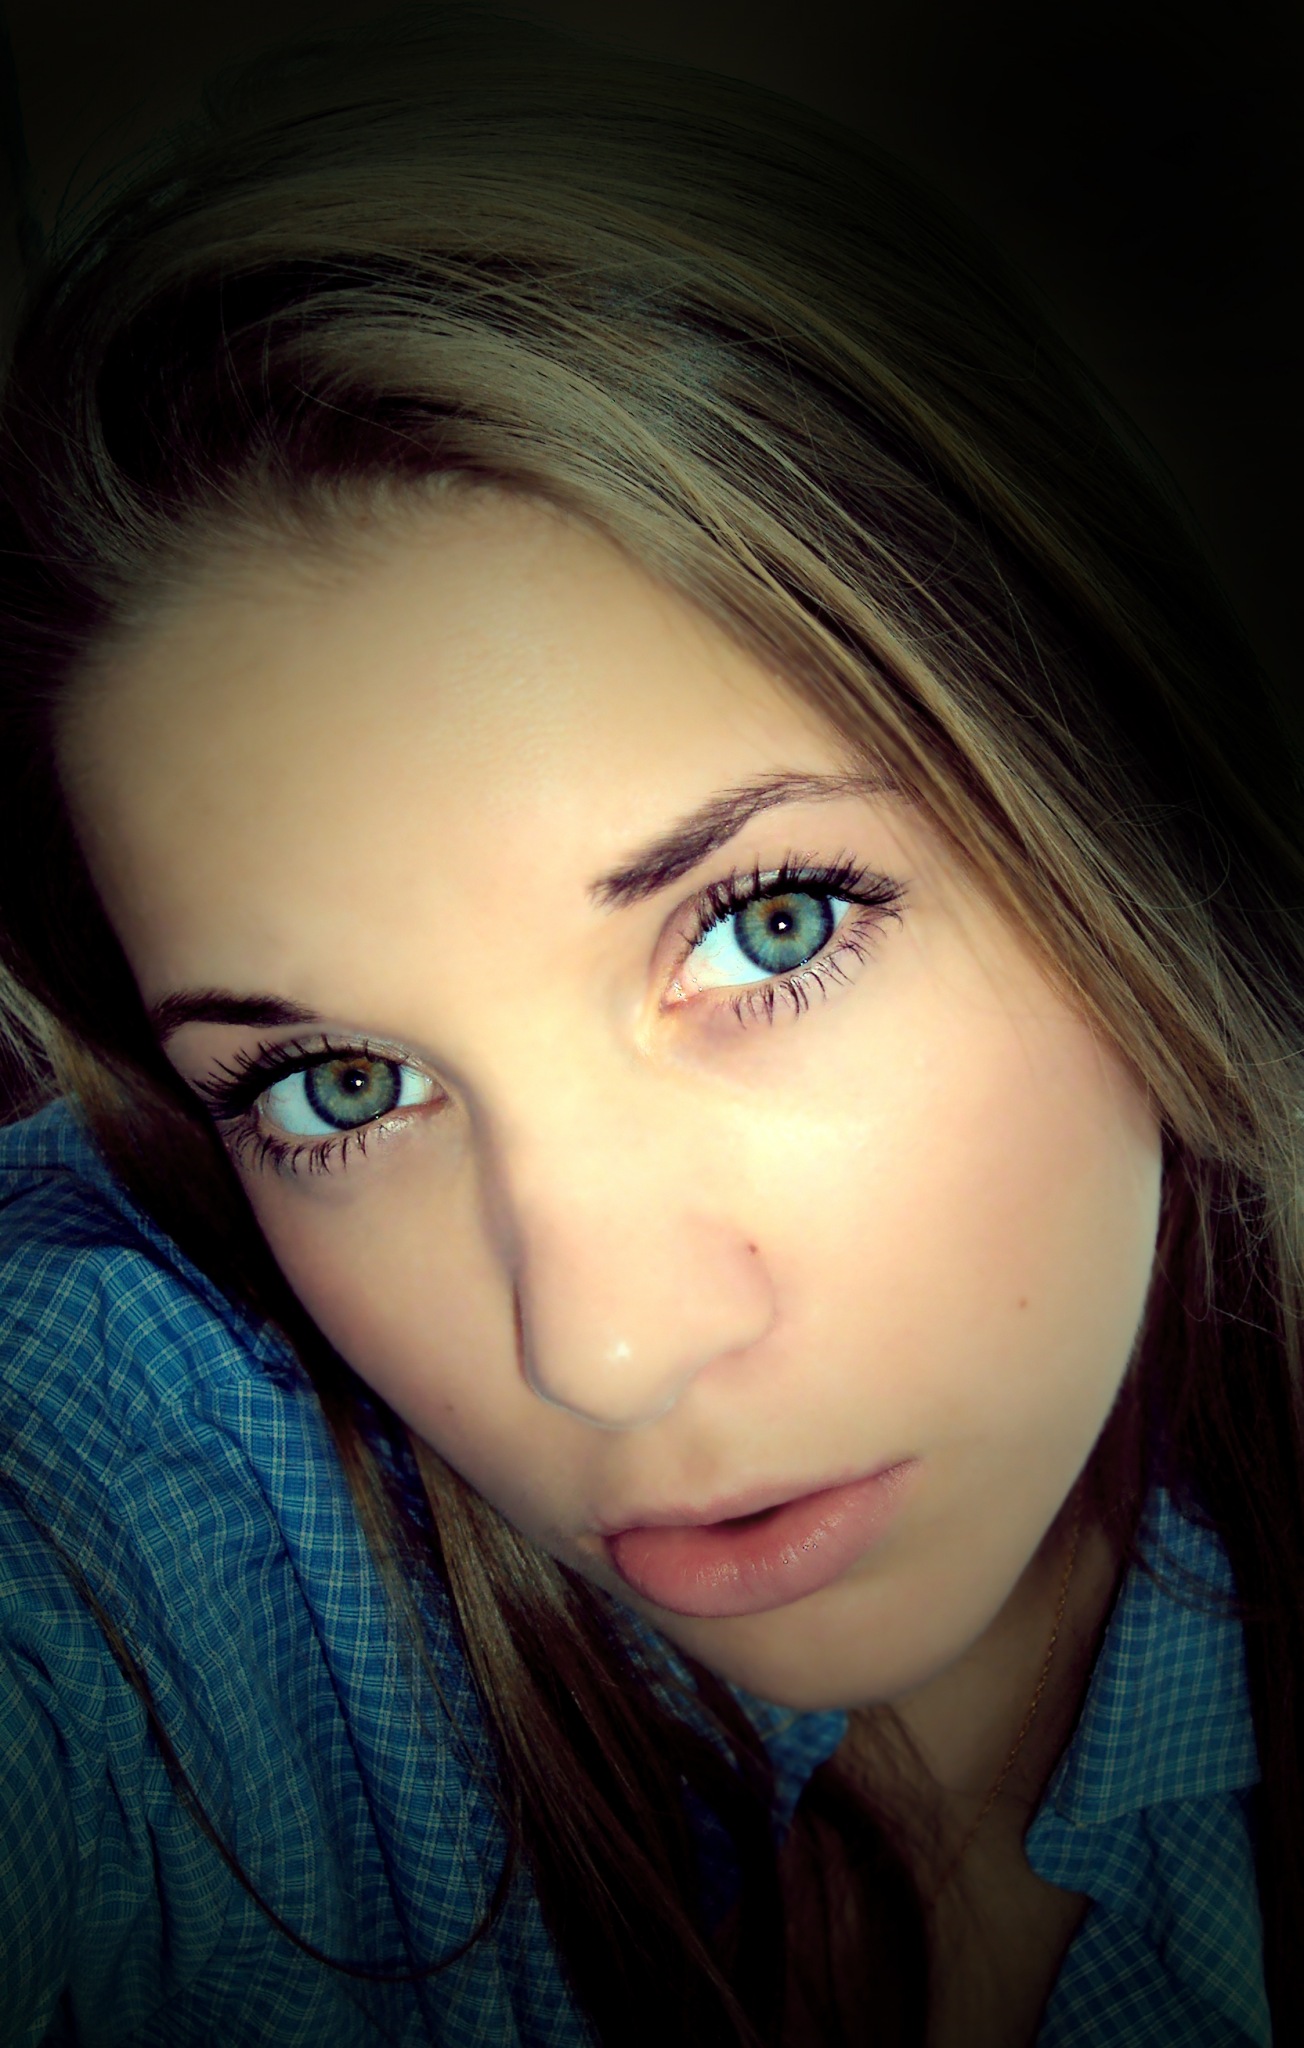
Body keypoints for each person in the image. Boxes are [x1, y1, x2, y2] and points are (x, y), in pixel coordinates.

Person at [0, 9, 1300, 2045]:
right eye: (340, 1085)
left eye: (770, 927)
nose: (599, 1348)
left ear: (1127, 810)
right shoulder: (147, 1486)